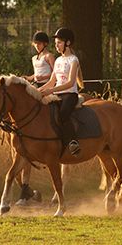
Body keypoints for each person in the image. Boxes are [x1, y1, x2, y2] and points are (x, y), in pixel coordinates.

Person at [38, 27, 84, 156]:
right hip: (57, 94)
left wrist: (51, 90)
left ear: (67, 43)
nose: (56, 46)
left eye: (59, 43)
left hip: (70, 95)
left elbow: (70, 82)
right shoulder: (58, 60)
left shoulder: (74, 60)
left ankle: (73, 142)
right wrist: (36, 90)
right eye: (56, 43)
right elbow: (52, 81)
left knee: (63, 114)